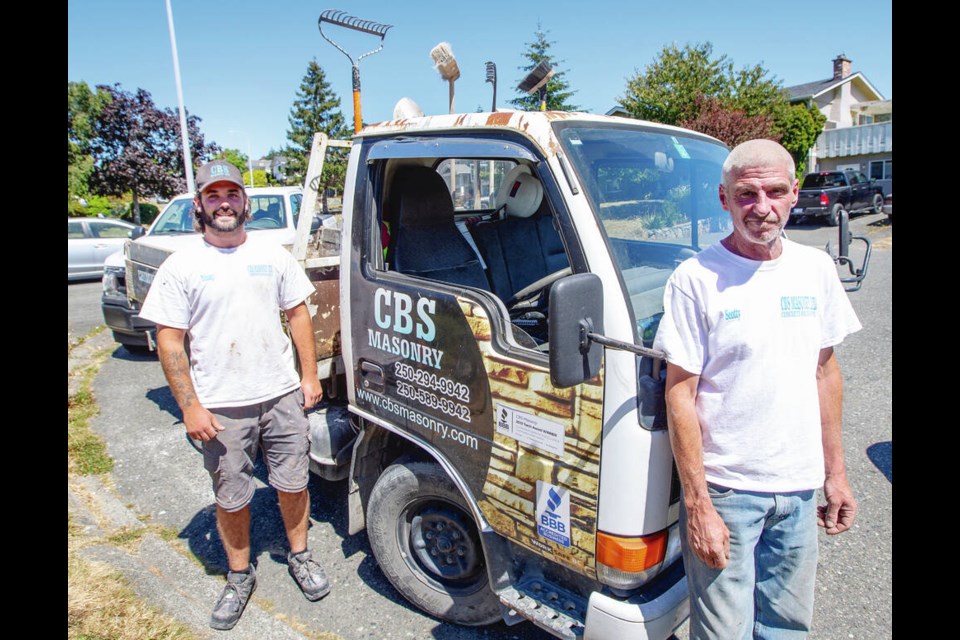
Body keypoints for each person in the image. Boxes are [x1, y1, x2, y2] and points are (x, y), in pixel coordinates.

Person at [653, 139, 861, 639]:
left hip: (799, 487)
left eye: (774, 192)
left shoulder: (815, 271)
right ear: (723, 199)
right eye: (746, 194)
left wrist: (836, 473)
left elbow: (824, 373)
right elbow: (679, 393)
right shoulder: (695, 279)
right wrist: (699, 506)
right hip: (728, 491)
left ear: (794, 194)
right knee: (725, 632)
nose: (761, 208)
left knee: (787, 628)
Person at [138, 160, 329, 631]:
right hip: (221, 406)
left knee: (294, 482)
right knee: (231, 493)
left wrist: (309, 376)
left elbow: (298, 315)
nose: (224, 202)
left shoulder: (273, 255)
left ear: (245, 202)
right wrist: (189, 405)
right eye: (213, 195)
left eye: (232, 194)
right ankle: (239, 576)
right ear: (199, 206)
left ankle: (299, 555)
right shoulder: (182, 265)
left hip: (281, 395)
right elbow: (169, 340)